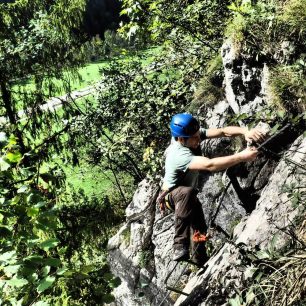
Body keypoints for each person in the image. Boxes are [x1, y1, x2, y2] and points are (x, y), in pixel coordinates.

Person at [159, 113, 265, 265]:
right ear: (181, 139)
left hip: (189, 196)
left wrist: (245, 131)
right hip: (172, 196)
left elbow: (223, 131)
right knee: (186, 193)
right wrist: (242, 156)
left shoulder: (189, 136)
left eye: (198, 135)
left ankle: (200, 261)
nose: (198, 139)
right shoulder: (178, 154)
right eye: (194, 137)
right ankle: (179, 245)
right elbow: (210, 165)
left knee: (199, 229)